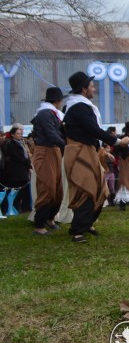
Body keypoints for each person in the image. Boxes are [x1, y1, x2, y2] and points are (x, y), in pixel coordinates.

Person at [62, 71, 129, 243]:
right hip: (80, 152)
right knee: (86, 190)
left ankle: (87, 224)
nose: (94, 89)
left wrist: (103, 148)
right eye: (91, 86)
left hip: (87, 151)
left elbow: (90, 132)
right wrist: (117, 141)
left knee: (101, 190)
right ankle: (77, 230)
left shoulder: (80, 106)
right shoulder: (78, 107)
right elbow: (93, 129)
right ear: (84, 89)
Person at [30, 87, 66, 234]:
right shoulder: (45, 113)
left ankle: (50, 218)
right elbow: (51, 134)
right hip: (45, 151)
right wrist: (67, 146)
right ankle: (39, 225)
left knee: (58, 190)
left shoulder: (52, 113)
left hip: (54, 150)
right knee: (47, 188)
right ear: (58, 101)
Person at [1, 124, 32, 217]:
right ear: (13, 134)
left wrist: (28, 164)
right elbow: (16, 157)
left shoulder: (22, 143)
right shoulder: (11, 143)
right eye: (18, 133)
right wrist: (27, 162)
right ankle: (12, 208)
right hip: (15, 172)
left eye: (21, 133)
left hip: (23, 171)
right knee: (15, 192)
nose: (20, 135)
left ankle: (25, 209)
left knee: (24, 191)